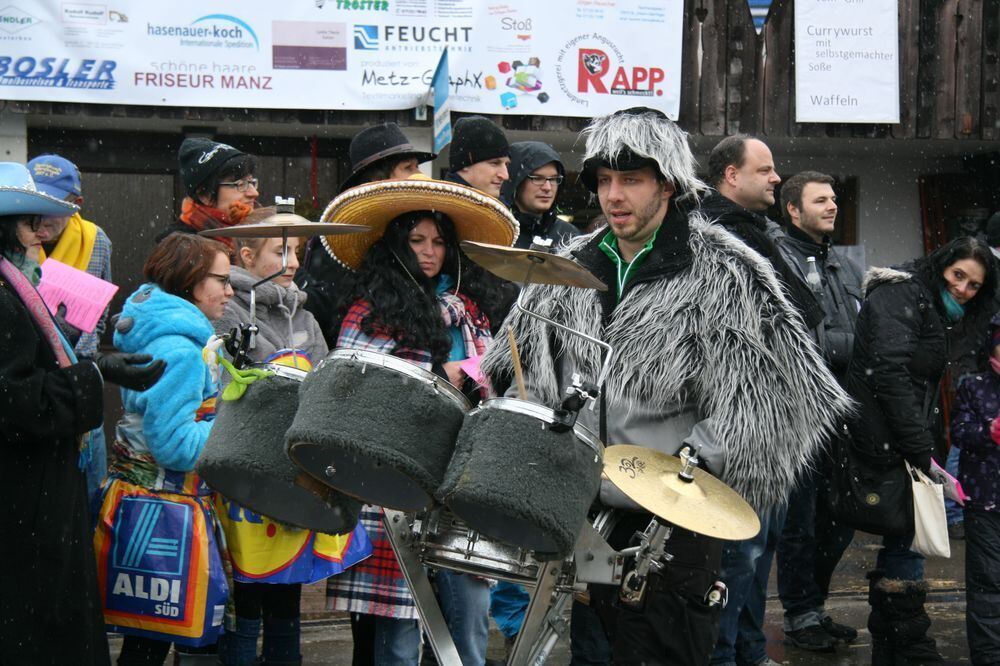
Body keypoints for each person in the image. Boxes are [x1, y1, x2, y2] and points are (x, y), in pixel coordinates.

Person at [481, 108, 851, 665]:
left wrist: (683, 469)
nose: (614, 196)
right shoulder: (568, 264)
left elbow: (774, 398)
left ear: (668, 184)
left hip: (675, 522)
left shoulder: (724, 272)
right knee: (593, 656)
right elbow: (516, 369)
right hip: (584, 515)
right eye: (604, 181)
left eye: (631, 179)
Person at [322, 174, 516, 665]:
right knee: (400, 624)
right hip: (395, 477)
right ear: (395, 246)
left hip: (459, 473)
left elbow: (491, 373)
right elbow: (357, 385)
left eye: (438, 242)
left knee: (470, 603)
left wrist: (479, 378)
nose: (429, 252)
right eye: (416, 240)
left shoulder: (470, 310)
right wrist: (436, 373)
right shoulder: (370, 311)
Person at [0, 162, 164, 665]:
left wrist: (98, 365)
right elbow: (18, 401)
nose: (41, 236)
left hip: (35, 499)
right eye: (29, 224)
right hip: (24, 506)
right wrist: (94, 376)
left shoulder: (14, 290)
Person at [213, 206, 370, 665]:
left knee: (285, 597)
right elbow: (224, 388)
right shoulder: (228, 312)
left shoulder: (305, 315)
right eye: (281, 251)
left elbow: (324, 381)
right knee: (246, 601)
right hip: (245, 472)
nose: (294, 262)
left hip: (292, 473)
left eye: (297, 251)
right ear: (247, 254)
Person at [700, 136, 826, 666]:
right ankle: (724, 658)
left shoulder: (760, 232)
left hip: (773, 423)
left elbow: (806, 310)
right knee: (737, 557)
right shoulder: (715, 235)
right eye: (766, 169)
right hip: (737, 421)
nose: (777, 178)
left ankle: (748, 651)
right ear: (732, 175)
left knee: (757, 554)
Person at [847, 236, 997, 664]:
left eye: (974, 285)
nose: (964, 290)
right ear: (941, 267)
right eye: (958, 276)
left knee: (904, 541)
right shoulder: (904, 295)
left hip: (897, 438)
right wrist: (919, 448)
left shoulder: (933, 307)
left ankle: (899, 643)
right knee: (896, 538)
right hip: (882, 439)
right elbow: (890, 375)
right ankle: (902, 643)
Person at [94, 232, 235, 664]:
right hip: (167, 513)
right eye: (222, 280)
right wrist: (231, 429)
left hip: (138, 505)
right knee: (162, 639)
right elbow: (175, 447)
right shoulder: (183, 352)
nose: (230, 291)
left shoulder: (162, 335)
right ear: (191, 281)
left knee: (145, 638)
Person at [773, 171, 862, 652]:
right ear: (792, 209)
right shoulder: (779, 260)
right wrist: (863, 347)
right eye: (820, 200)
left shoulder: (843, 266)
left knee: (838, 518)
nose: (831, 206)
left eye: (833, 199)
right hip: (800, 414)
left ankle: (815, 606)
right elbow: (811, 343)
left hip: (842, 413)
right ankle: (799, 613)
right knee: (800, 524)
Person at [27, 153, 116, 507]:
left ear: (76, 205)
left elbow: (100, 312)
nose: (41, 218)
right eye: (35, 203)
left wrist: (82, 363)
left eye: (54, 206)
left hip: (77, 376)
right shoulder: (15, 239)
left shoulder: (96, 241)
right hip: (30, 376)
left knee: (87, 489)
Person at [297, 122, 436, 343]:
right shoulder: (340, 239)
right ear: (379, 181)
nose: (419, 175)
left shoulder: (415, 226)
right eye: (409, 168)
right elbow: (329, 311)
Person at [951, 312, 1000, 665]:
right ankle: (988, 655)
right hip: (985, 502)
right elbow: (960, 433)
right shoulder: (974, 386)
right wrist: (988, 433)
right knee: (987, 585)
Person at [157, 138, 259, 245]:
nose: (254, 193)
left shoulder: (264, 229)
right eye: (240, 184)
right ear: (204, 195)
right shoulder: (178, 248)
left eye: (252, 182)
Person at [500, 140, 579, 250]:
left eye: (553, 179)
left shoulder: (569, 237)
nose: (547, 187)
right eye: (537, 178)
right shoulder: (494, 230)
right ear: (517, 182)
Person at [445, 115, 510, 198]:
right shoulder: (440, 208)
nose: (505, 176)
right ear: (465, 163)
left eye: (506, 164)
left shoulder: (496, 206)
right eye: (495, 163)